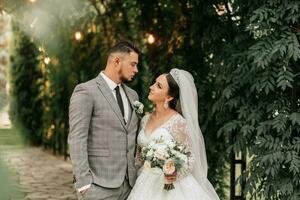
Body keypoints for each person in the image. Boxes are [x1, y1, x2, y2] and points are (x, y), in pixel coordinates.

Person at [128, 68, 220, 200]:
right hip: (145, 184)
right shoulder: (145, 120)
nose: (151, 87)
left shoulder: (178, 122)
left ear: (169, 97)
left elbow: (190, 157)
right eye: (154, 83)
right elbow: (139, 158)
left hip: (172, 187)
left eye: (158, 86)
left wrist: (174, 171)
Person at [68, 40, 141, 200]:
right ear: (117, 61)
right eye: (133, 64)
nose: (136, 70)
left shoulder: (133, 95)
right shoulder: (86, 91)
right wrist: (84, 183)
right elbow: (76, 139)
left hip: (130, 186)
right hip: (98, 186)